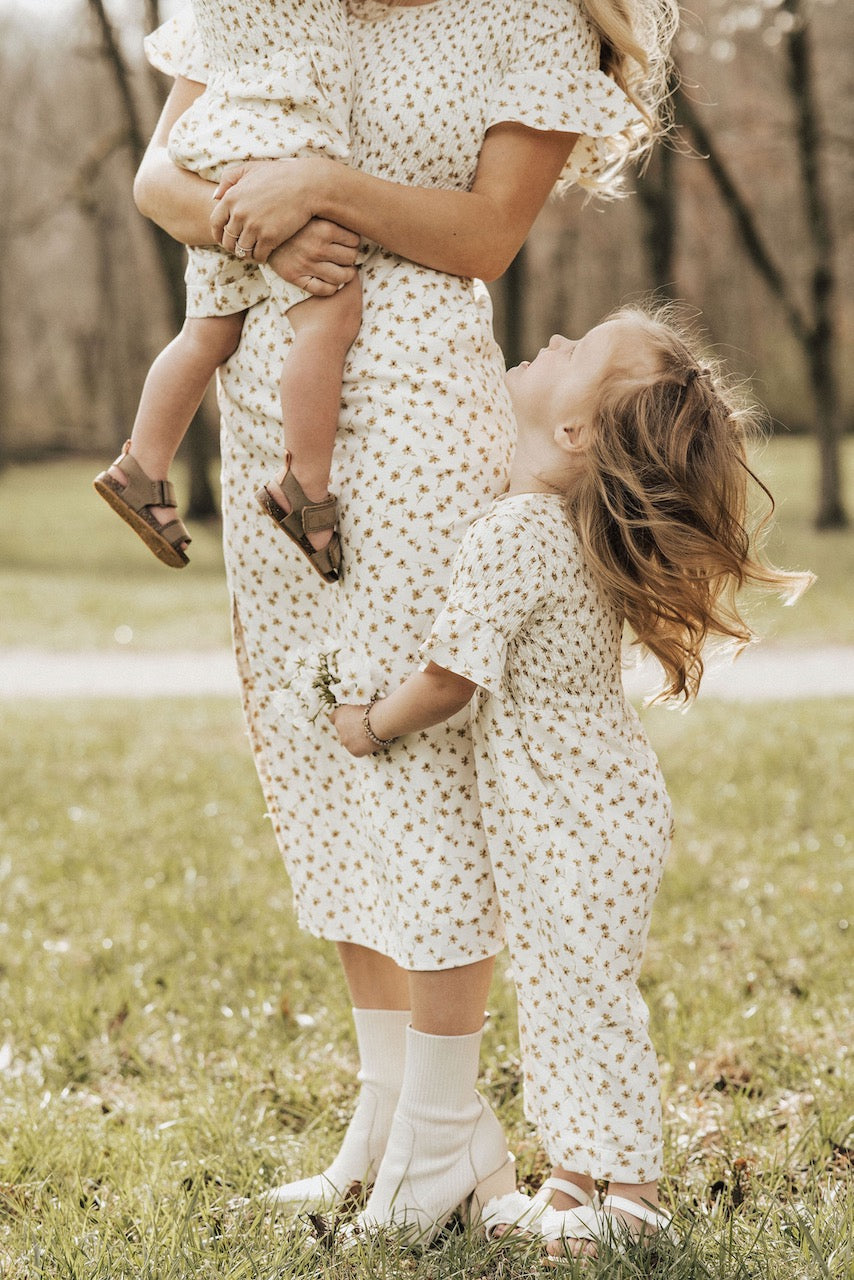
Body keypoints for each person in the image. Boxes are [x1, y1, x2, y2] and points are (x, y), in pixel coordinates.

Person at [131, 0, 680, 1248]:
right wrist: (257, 236)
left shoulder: (530, 16)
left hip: (424, 409)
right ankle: (392, 1118)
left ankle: (439, 1131)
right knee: (323, 752)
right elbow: (158, 173)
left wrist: (315, 185)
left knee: (416, 758)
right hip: (277, 395)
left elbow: (484, 234)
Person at [332, 304, 812, 1255]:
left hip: (577, 821)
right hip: (587, 813)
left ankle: (629, 1195)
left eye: (576, 349)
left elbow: (449, 679)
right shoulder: (559, 526)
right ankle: (572, 1183)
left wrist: (369, 724)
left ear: (575, 432)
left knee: (585, 1004)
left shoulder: (515, 530)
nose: (551, 341)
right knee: (560, 1000)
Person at [94, 0, 361, 582]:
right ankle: (306, 485)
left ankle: (143, 464)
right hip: (276, 141)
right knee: (329, 318)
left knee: (207, 331)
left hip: (217, 139)